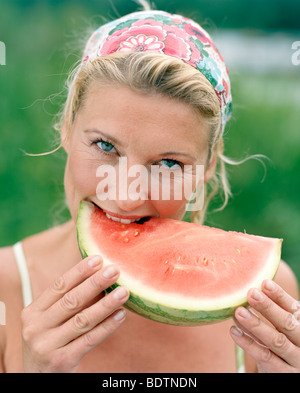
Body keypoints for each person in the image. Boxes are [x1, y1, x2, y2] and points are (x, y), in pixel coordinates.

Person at [0, 3, 299, 373]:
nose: (126, 197)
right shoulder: (4, 287)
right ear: (66, 127)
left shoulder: (268, 297)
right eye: (105, 146)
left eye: (168, 164)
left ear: (208, 168)